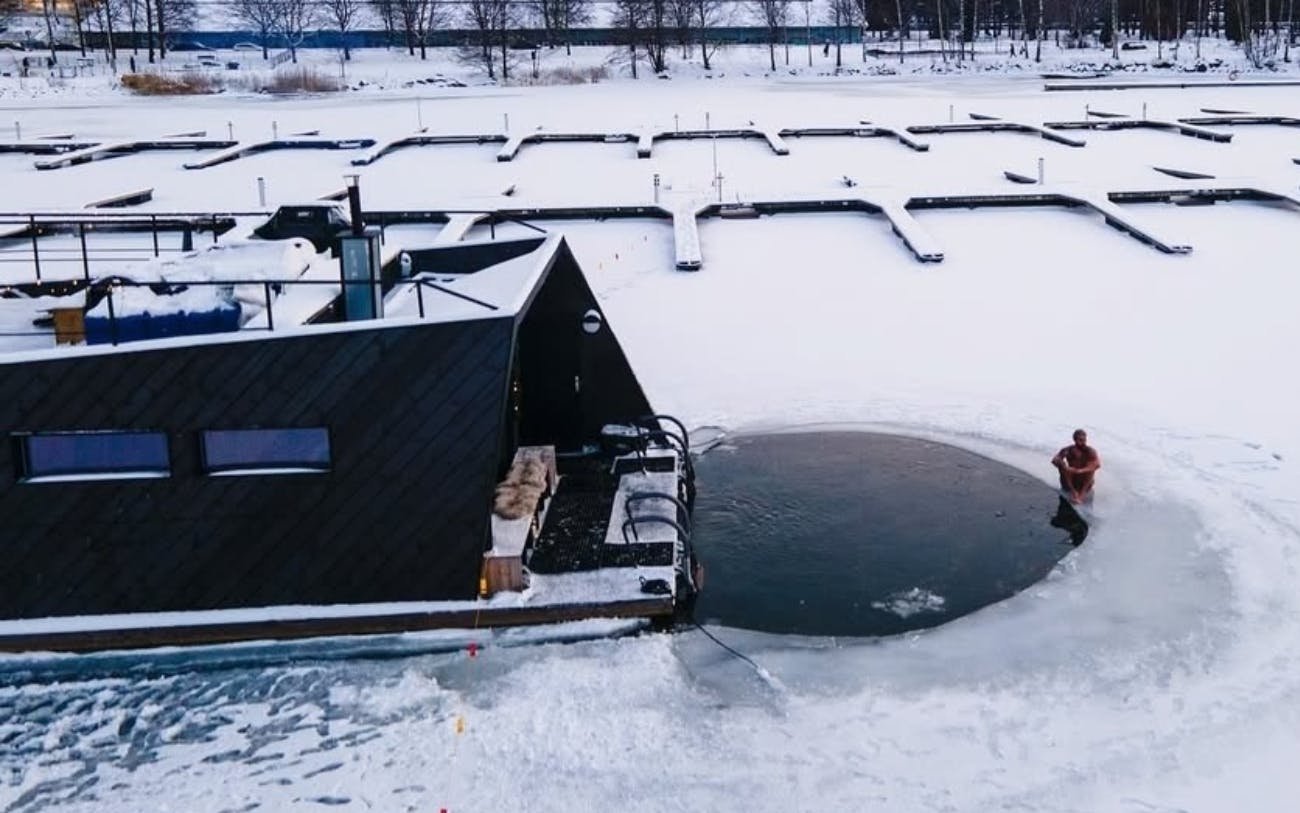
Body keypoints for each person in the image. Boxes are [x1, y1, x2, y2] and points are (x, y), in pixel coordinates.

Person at [1052, 428, 1101, 505]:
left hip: (1084, 483)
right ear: (1075, 439)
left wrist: (1080, 470)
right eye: (1080, 440)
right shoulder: (1067, 450)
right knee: (1062, 466)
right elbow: (1054, 460)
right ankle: (1073, 492)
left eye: (1084, 440)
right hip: (1070, 482)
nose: (1083, 442)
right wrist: (1062, 464)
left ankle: (1081, 496)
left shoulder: (1090, 451)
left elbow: (1097, 464)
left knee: (1091, 468)